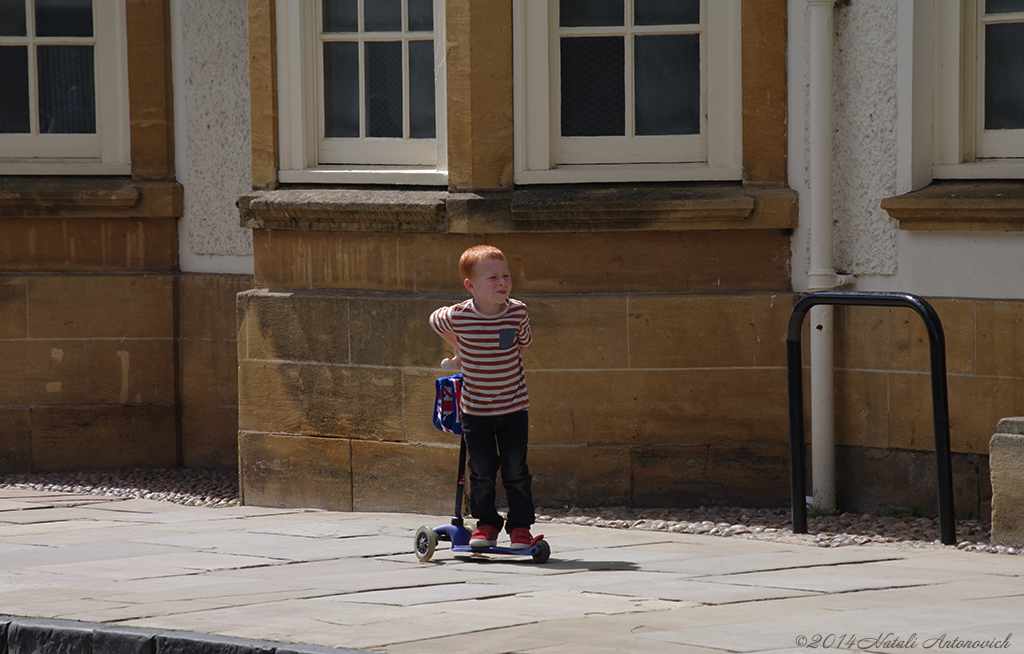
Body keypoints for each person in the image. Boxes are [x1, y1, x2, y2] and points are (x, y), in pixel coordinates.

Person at [429, 245, 536, 549]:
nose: (502, 282)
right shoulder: (460, 315)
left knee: (516, 470)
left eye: (506, 275)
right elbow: (435, 320)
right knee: (481, 472)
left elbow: (523, 344)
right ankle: (486, 523)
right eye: (492, 278)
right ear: (470, 286)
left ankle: (520, 527)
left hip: (514, 407)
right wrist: (461, 348)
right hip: (475, 411)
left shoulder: (517, 311)